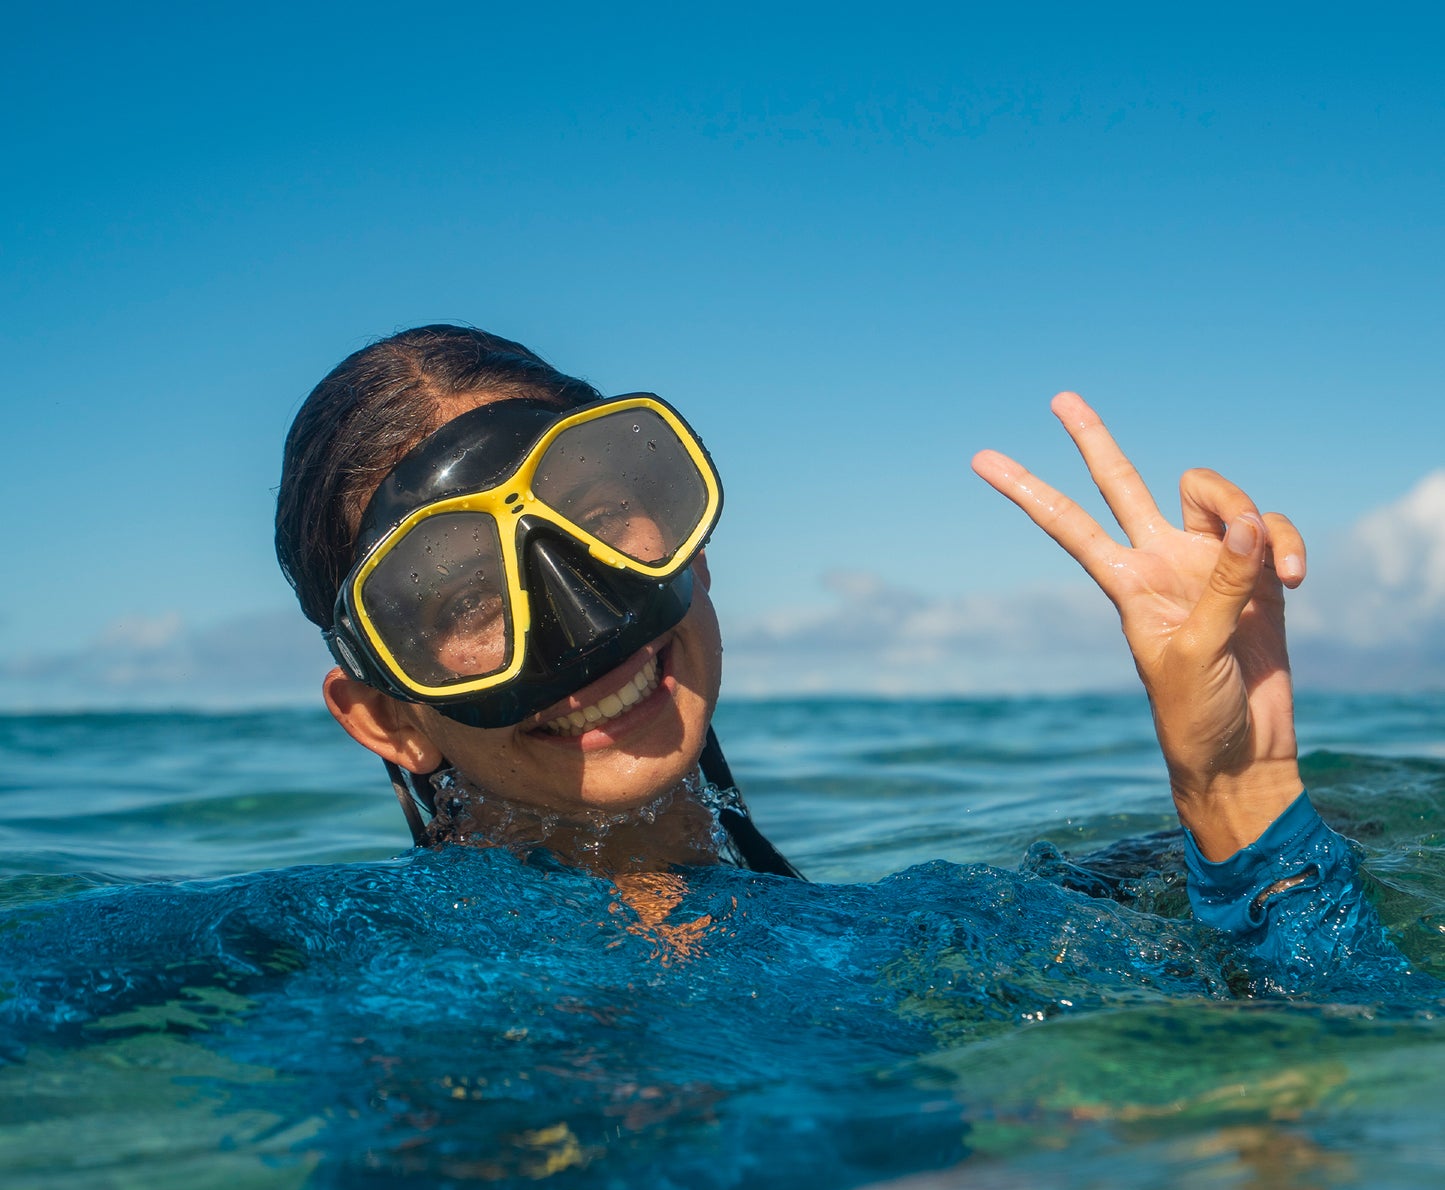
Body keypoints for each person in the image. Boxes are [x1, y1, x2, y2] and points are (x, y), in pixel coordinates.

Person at [275, 323, 1395, 975]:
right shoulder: (308, 966)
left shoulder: (904, 934)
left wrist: (1236, 792)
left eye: (593, 516)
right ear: (385, 715)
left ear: (691, 544)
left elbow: (1336, 1044)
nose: (580, 612)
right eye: (467, 597)